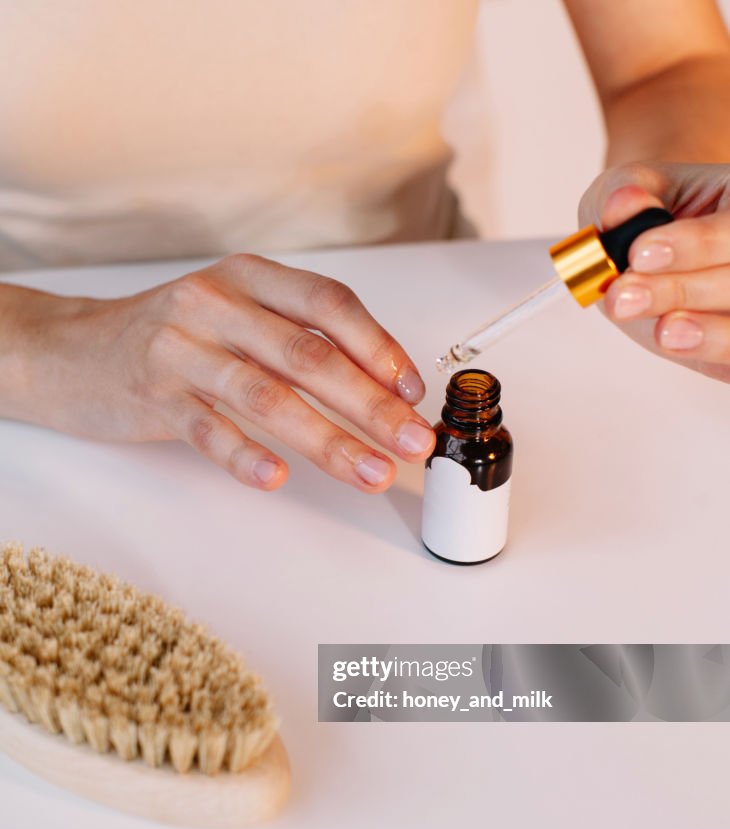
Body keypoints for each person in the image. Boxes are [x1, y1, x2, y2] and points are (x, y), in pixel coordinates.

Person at [0, 0, 728, 496]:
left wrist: (673, 241)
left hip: (425, 299)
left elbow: (665, 63)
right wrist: (41, 344)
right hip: (53, 407)